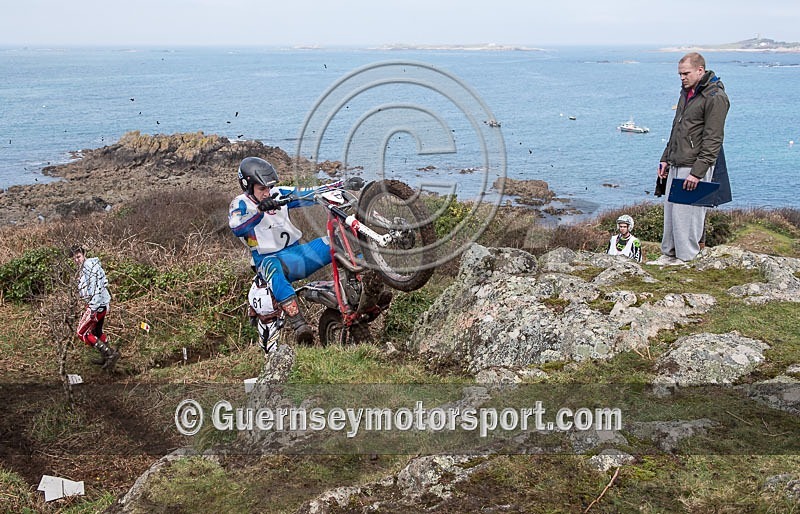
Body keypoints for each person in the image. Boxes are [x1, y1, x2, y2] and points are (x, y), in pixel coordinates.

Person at [228, 157, 331, 345]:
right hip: (268, 262)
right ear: (248, 187)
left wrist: (337, 187)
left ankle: (365, 287)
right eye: (262, 189)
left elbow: (308, 194)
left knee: (335, 243)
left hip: (298, 256)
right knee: (271, 267)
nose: (267, 193)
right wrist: (259, 211)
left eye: (268, 187)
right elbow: (237, 227)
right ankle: (300, 326)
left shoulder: (277, 193)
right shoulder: (239, 204)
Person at [648, 52, 730, 266]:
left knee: (688, 215)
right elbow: (677, 128)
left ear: (700, 70)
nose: (682, 78)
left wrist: (697, 172)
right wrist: (665, 158)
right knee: (672, 211)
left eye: (686, 73)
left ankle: (686, 258)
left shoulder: (715, 97)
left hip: (694, 164)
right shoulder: (686, 92)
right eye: (680, 74)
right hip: (677, 160)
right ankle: (669, 254)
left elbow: (713, 139)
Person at [71, 246, 120, 370]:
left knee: (82, 333)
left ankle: (109, 354)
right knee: (97, 331)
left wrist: (93, 307)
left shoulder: (89, 267)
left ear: (84, 255)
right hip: (101, 304)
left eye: (78, 257)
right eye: (74, 258)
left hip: (97, 305)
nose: (77, 260)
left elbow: (96, 287)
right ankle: (106, 356)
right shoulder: (89, 266)